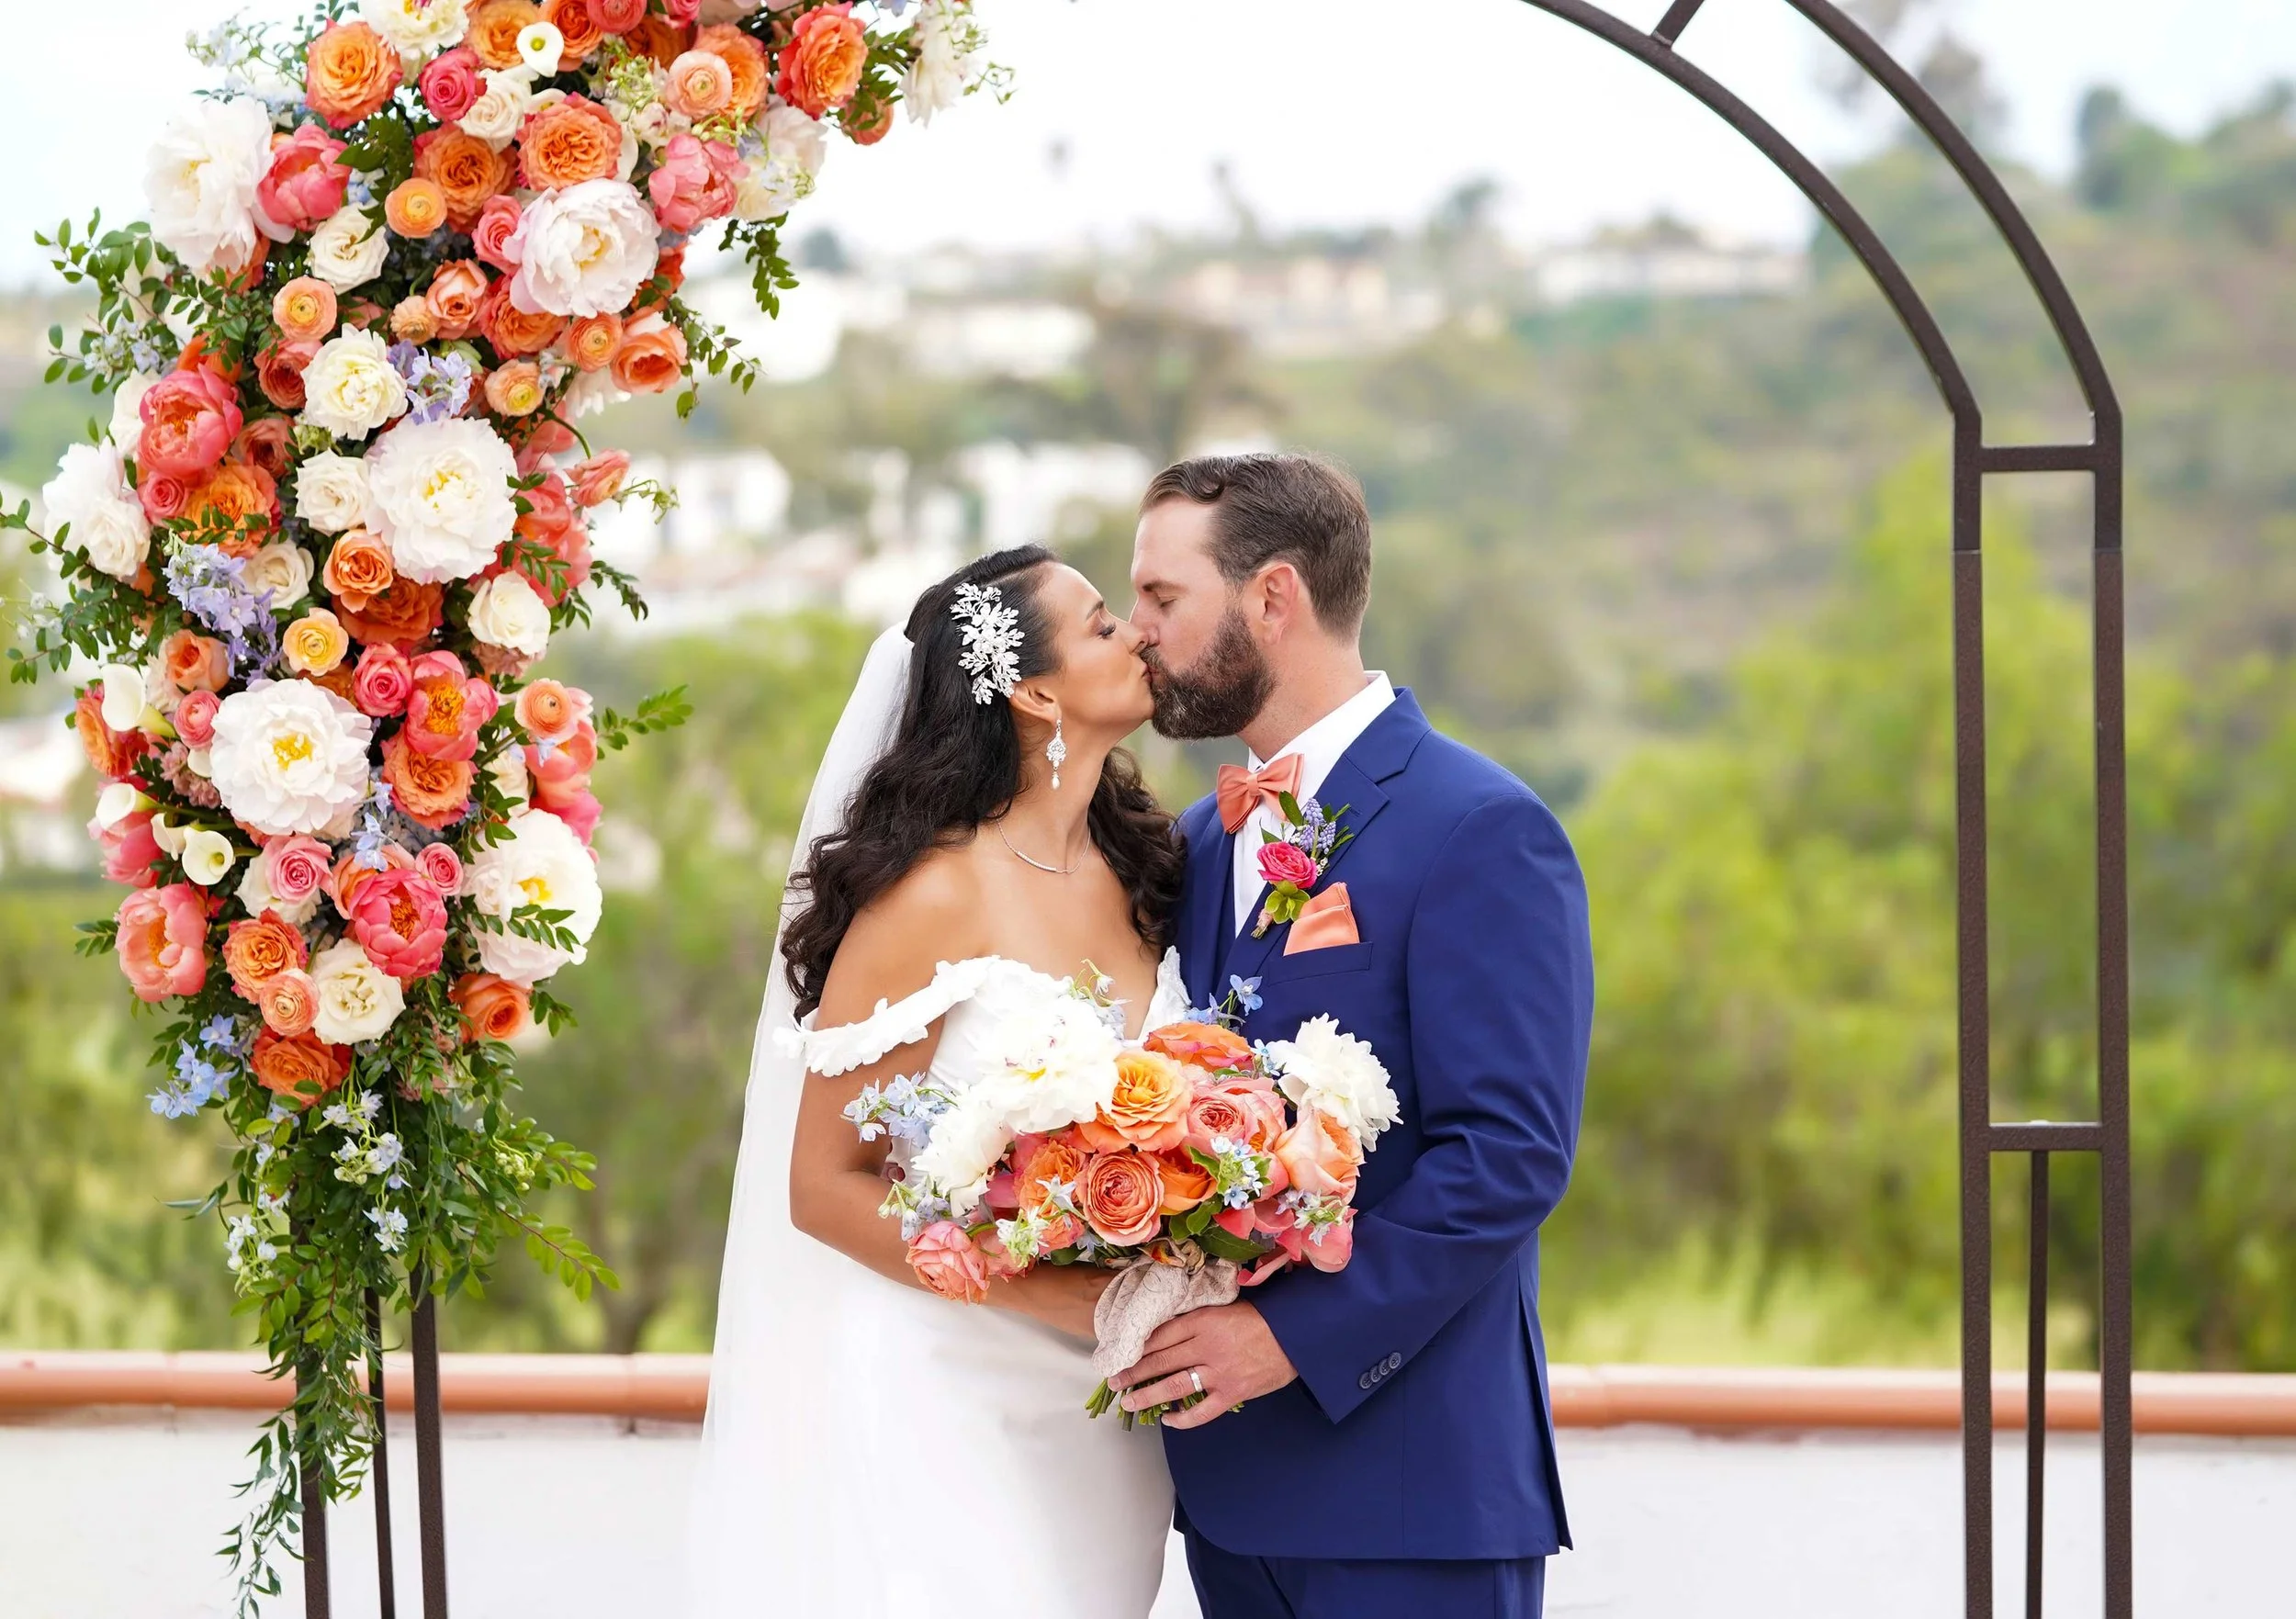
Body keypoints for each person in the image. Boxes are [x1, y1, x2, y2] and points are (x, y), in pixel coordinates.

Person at [1113, 453, 1594, 1619]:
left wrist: (1286, 1336)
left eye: (1162, 600)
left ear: (1272, 597)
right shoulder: (1199, 842)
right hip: (1227, 1498)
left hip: (1413, 1493)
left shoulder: (1480, 827)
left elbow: (1509, 1155)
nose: (1136, 635)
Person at [685, 545, 1193, 1617]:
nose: (1140, 633)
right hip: (946, 1389)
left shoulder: (1147, 871)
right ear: (1033, 688)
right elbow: (822, 1185)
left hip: (1101, 1412)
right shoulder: (930, 894)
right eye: (1104, 623)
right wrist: (1051, 1290)